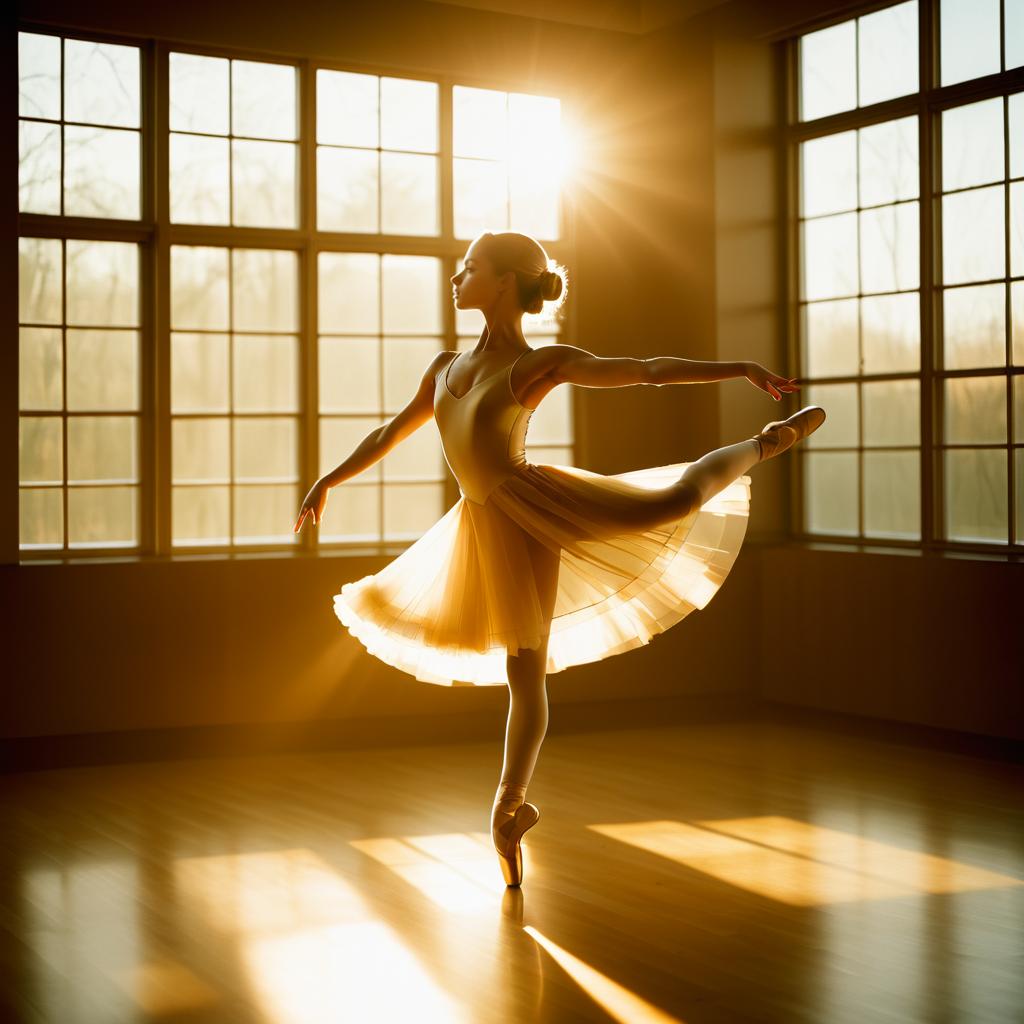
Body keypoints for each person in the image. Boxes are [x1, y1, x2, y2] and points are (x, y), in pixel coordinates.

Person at [294, 230, 825, 886]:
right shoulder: (442, 368)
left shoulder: (540, 364)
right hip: (483, 525)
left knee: (673, 503)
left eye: (471, 268)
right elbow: (390, 431)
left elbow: (648, 370)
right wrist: (330, 480)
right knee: (526, 672)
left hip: (534, 508)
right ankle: (508, 813)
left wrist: (738, 369)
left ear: (507, 283)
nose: (457, 278)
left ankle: (761, 445)